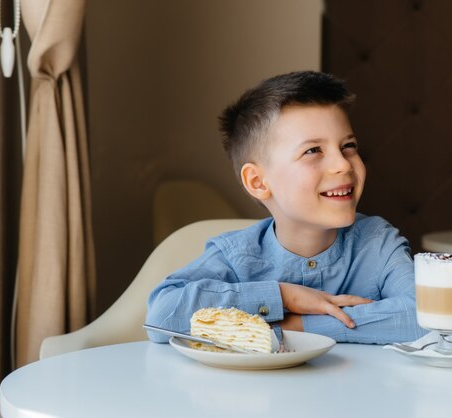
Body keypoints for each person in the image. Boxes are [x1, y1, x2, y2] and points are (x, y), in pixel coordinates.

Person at [146, 71, 426, 344]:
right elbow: (162, 315)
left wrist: (298, 326)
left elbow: (425, 317)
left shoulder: (378, 243)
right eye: (313, 150)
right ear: (257, 182)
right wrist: (283, 296)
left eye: (348, 146)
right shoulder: (236, 256)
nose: (342, 164)